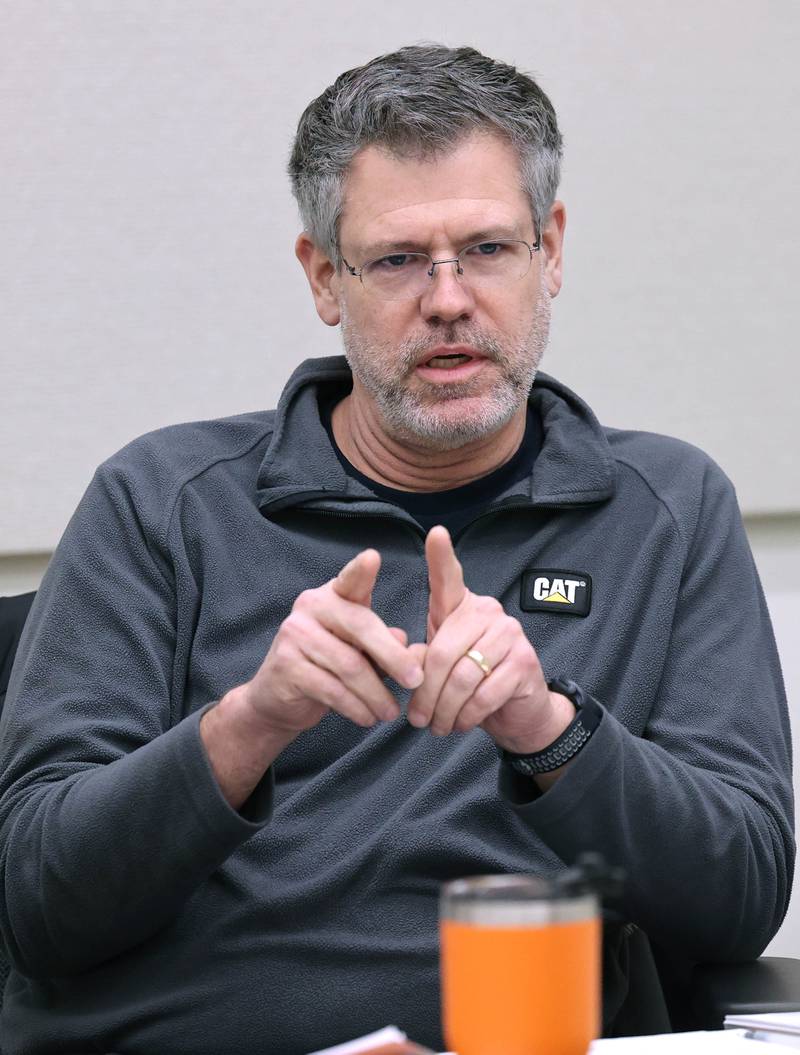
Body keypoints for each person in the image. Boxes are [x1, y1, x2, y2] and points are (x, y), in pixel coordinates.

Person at [0, 43, 793, 1055]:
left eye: (488, 249)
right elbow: (38, 902)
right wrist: (253, 719)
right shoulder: (161, 500)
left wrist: (544, 725)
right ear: (323, 276)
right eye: (396, 259)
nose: (449, 297)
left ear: (550, 250)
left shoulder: (664, 511)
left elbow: (736, 899)